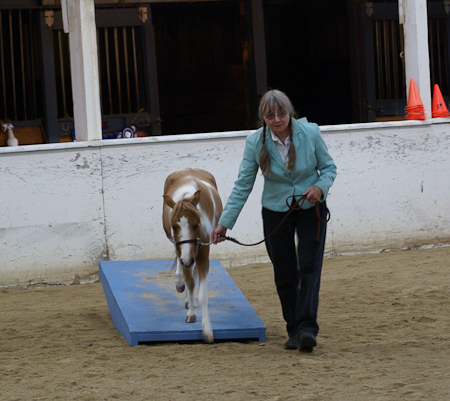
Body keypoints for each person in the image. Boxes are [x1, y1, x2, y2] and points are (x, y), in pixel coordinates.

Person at [211, 89, 337, 352]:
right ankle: (293, 329)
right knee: (285, 273)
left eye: (281, 113)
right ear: (263, 118)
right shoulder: (255, 142)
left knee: (310, 268)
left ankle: (307, 328)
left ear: (289, 112)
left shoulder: (311, 132)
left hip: (310, 207)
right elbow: (243, 185)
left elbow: (328, 168)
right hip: (275, 211)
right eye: (270, 116)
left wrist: (320, 188)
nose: (277, 119)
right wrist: (224, 223)